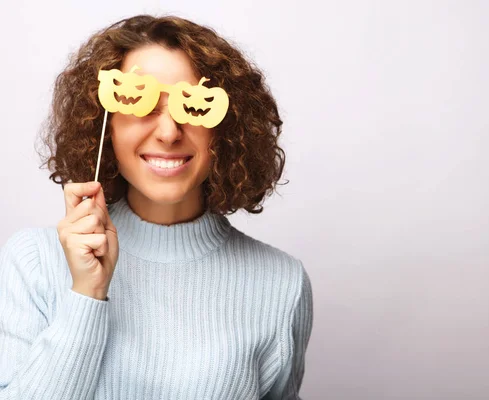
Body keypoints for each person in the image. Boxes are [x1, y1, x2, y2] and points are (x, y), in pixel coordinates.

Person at [0, 15, 313, 400]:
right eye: (138, 101)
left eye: (195, 106)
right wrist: (87, 294)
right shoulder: (33, 263)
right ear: (105, 122)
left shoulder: (281, 284)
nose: (168, 133)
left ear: (227, 127)